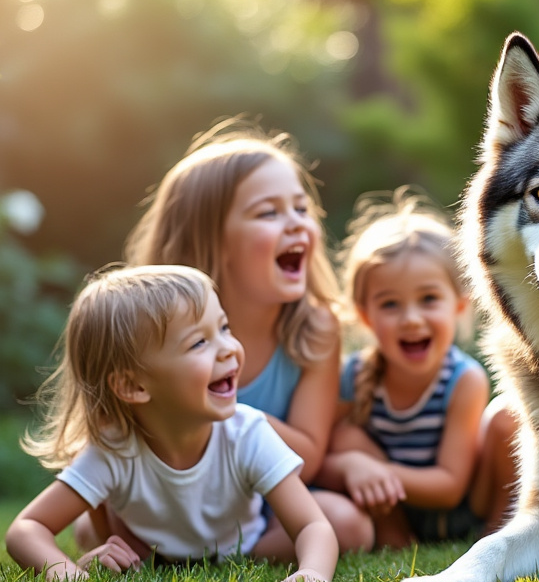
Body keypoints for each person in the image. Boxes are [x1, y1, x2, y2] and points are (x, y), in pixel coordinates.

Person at [123, 120, 374, 553]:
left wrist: (212, 406)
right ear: (211, 240)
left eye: (301, 208)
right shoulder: (153, 336)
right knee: (101, 532)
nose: (296, 224)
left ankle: (228, 554)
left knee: (346, 524)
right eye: (268, 213)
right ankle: (173, 545)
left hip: (270, 514)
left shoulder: (315, 330)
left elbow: (309, 456)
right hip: (172, 506)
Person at [6, 265, 338, 582]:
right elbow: (26, 528)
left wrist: (313, 573)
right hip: (145, 553)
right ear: (133, 386)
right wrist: (68, 575)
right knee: (88, 535)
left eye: (224, 328)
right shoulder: (114, 449)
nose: (228, 349)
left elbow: (312, 525)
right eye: (199, 343)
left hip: (246, 549)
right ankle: (103, 537)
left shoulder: (248, 432)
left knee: (344, 526)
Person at [322, 187, 520, 548]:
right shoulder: (352, 377)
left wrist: (380, 473)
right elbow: (320, 462)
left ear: (460, 305)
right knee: (346, 439)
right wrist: (353, 466)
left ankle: (497, 536)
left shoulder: (463, 379)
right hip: (395, 509)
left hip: (463, 508)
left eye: (429, 299)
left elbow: (448, 487)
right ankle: (393, 538)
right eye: (390, 305)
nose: (411, 319)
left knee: (508, 416)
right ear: (365, 316)